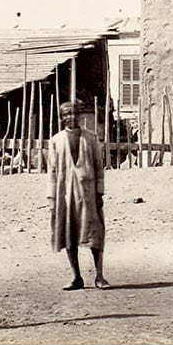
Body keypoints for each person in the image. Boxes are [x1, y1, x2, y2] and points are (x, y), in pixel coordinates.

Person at [47, 100, 108, 290]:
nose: (70, 118)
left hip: (88, 193)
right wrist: (52, 198)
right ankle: (76, 277)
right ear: (61, 118)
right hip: (65, 194)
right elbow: (52, 171)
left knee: (94, 233)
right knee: (68, 233)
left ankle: (99, 275)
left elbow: (99, 167)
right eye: (66, 114)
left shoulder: (91, 138)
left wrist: (99, 192)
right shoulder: (56, 141)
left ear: (80, 116)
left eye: (73, 114)